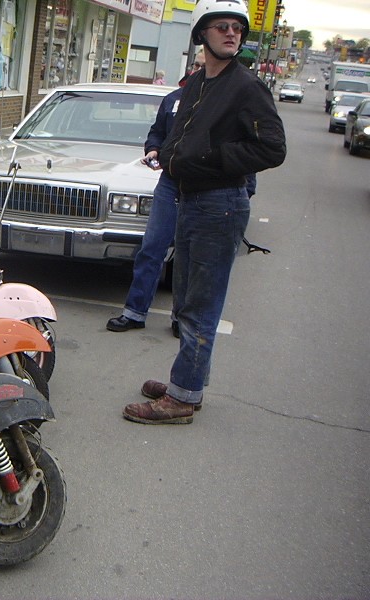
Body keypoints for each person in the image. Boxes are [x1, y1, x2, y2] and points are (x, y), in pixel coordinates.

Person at [122, 0, 285, 425]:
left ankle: (181, 398)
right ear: (201, 35)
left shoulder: (246, 87)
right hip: (189, 198)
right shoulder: (198, 83)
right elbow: (180, 134)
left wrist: (210, 159)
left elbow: (272, 148)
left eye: (237, 28)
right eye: (221, 27)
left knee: (201, 303)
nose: (231, 33)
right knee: (185, 298)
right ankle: (186, 384)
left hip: (221, 203)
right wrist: (168, 155)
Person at [107, 52, 206, 336]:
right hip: (169, 183)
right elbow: (157, 133)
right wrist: (153, 149)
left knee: (188, 256)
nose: (198, 69)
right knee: (151, 248)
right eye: (195, 65)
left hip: (202, 188)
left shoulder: (220, 103)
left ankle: (181, 318)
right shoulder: (173, 99)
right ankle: (134, 312)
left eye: (203, 65)